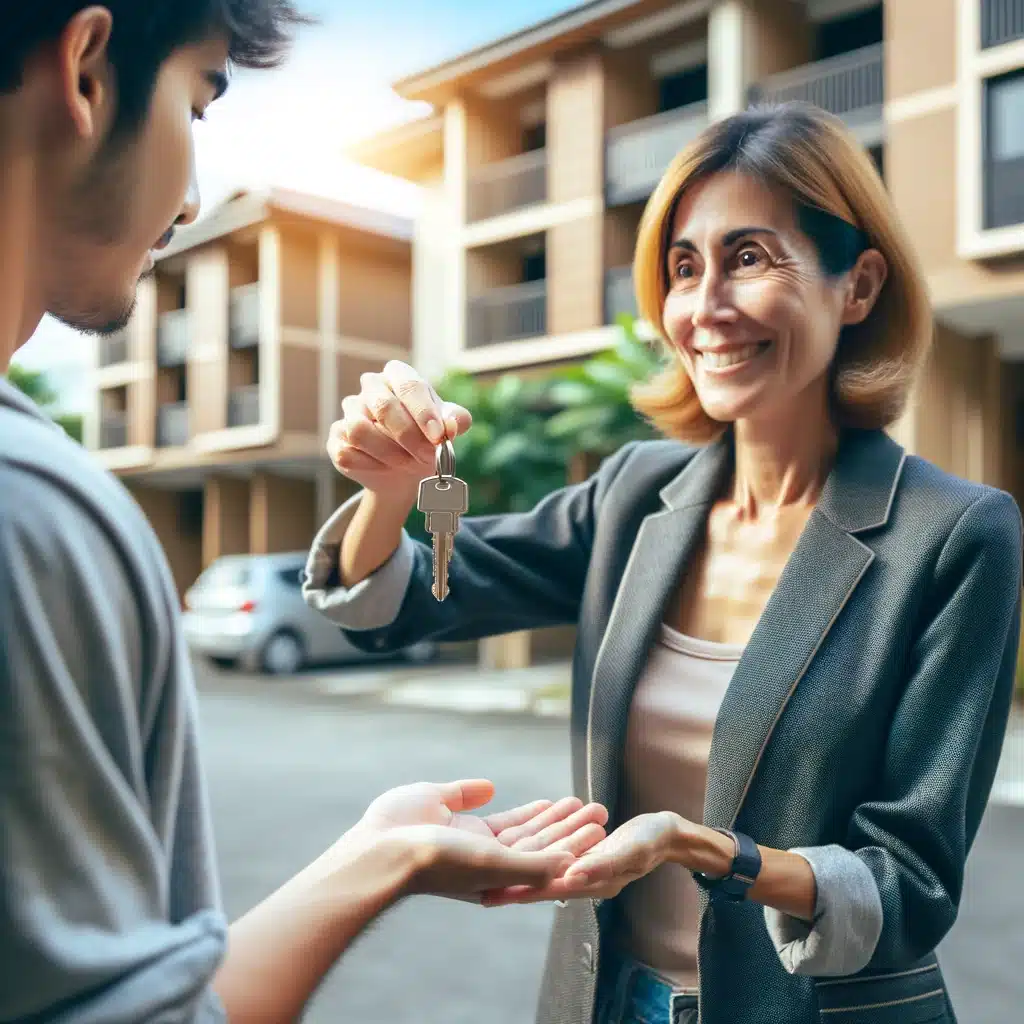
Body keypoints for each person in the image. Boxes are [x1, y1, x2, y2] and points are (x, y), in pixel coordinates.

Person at [305, 101, 1024, 1024]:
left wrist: (710, 851)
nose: (706, 307)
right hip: (607, 1003)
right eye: (685, 268)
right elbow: (398, 605)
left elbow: (910, 886)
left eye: (751, 258)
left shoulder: (954, 533)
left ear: (860, 286)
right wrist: (391, 491)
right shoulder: (634, 494)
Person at [0, 3, 610, 1021]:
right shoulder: (38, 511)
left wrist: (381, 854)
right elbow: (400, 601)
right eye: (197, 106)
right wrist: (389, 499)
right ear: (87, 70)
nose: (191, 199)